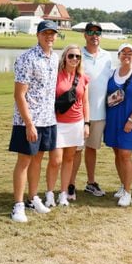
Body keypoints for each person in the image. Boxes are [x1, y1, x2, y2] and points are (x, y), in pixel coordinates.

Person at [8, 20, 60, 223]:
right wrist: (29, 123)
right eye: (46, 33)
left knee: (38, 159)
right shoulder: (27, 58)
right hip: (28, 120)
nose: (50, 36)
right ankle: (18, 205)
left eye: (53, 33)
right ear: (38, 35)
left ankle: (33, 198)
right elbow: (19, 95)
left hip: (48, 118)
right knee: (24, 161)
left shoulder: (54, 58)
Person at [68, 22, 113, 199]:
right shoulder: (78, 55)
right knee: (76, 150)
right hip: (79, 112)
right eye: (90, 32)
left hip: (100, 112)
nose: (94, 35)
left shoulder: (108, 57)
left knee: (92, 149)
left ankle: (90, 182)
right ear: (85, 35)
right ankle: (70, 184)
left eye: (98, 32)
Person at [45, 44, 89, 208]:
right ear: (65, 57)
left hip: (76, 123)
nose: (74, 59)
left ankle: (63, 194)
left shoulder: (83, 78)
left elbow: (85, 102)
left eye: (77, 57)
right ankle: (49, 193)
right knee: (55, 160)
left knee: (69, 159)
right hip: (57, 123)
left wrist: (86, 123)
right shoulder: (56, 75)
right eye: (71, 56)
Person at [105, 43, 132, 207]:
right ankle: (123, 185)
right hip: (113, 120)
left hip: (130, 121)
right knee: (117, 153)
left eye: (130, 53)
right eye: (123, 53)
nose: (126, 55)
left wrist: (131, 120)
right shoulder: (111, 73)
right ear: (118, 55)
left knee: (125, 154)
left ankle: (128, 192)